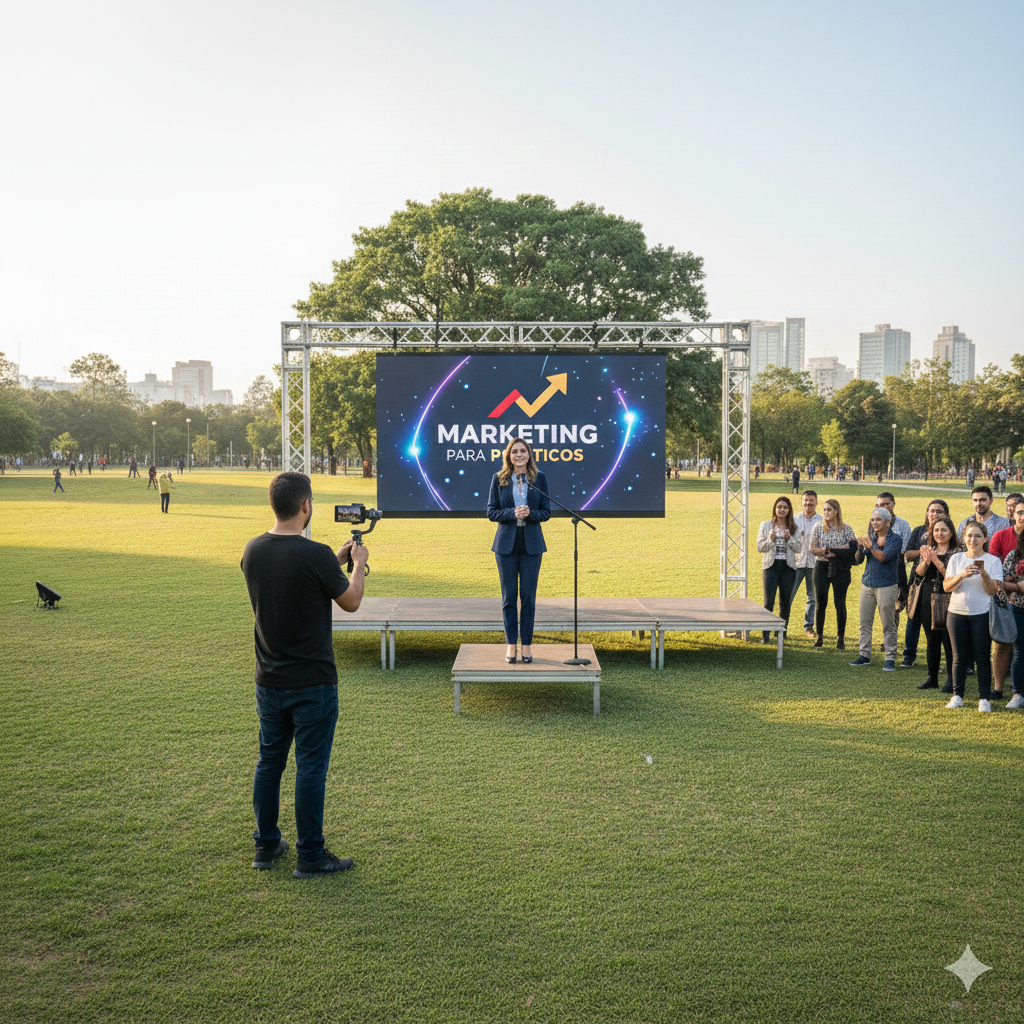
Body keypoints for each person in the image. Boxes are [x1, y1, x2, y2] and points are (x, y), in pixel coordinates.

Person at [240, 471, 368, 877]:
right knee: (310, 768)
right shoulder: (314, 554)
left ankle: (265, 846)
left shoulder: (253, 550)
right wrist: (358, 566)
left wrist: (335, 560)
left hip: (269, 679)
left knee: (269, 762)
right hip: (313, 682)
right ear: (306, 506)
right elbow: (351, 602)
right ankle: (310, 855)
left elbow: (290, 577)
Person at [487, 438, 550, 663]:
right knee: (509, 597)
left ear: (529, 455)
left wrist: (529, 513)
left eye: (523, 451)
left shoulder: (539, 478)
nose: (519, 455)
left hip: (531, 544)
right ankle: (511, 645)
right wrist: (513, 513)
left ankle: (527, 646)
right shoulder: (499, 479)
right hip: (506, 546)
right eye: (515, 452)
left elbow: (546, 512)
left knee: (528, 598)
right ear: (509, 456)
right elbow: (492, 512)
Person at [943, 522, 1003, 711]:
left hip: (981, 614)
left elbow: (993, 590)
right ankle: (957, 696)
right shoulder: (956, 559)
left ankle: (984, 698)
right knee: (958, 657)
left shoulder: (993, 561)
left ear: (985, 538)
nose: (973, 540)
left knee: (982, 657)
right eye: (969, 535)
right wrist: (962, 575)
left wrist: (983, 573)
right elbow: (947, 587)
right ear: (964, 538)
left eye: (977, 536)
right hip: (956, 614)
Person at [908, 514, 959, 692]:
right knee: (931, 640)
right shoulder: (929, 550)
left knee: (948, 640)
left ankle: (952, 679)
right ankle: (932, 677)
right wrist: (926, 560)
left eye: (944, 530)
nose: (940, 533)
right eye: (936, 530)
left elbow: (950, 576)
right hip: (927, 596)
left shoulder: (957, 552)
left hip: (948, 598)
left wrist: (935, 559)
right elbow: (919, 573)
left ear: (951, 532)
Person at [849, 507, 902, 670]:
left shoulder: (895, 539)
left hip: (887, 585)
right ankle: (864, 655)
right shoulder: (871, 538)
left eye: (878, 520)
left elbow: (883, 557)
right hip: (868, 584)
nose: (874, 523)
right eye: (872, 520)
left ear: (888, 521)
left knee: (888, 623)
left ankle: (890, 657)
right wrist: (859, 547)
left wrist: (871, 546)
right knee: (865, 622)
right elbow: (857, 561)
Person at [899, 499, 950, 669]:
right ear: (927, 513)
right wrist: (924, 552)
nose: (934, 514)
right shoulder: (919, 531)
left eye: (939, 511)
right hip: (918, 581)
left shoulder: (947, 532)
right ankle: (909, 655)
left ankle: (948, 660)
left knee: (942, 624)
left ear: (946, 515)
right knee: (913, 617)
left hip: (942, 585)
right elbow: (907, 554)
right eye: (931, 511)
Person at [808, 498, 858, 648]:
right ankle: (820, 636)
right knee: (820, 603)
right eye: (824, 510)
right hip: (821, 566)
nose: (826, 512)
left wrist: (835, 550)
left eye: (829, 509)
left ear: (836, 511)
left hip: (840, 568)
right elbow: (812, 548)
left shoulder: (846, 528)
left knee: (840, 603)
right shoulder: (818, 527)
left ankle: (840, 638)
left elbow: (852, 547)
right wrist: (823, 551)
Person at [989, 494, 1023, 699]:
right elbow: (996, 572)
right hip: (1009, 602)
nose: (1023, 517)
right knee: (1003, 644)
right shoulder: (1001, 536)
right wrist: (1015, 584)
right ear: (1013, 514)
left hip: (1011, 591)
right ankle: (999, 687)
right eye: (1020, 512)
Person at [756, 496, 802, 644]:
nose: (782, 510)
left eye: (785, 507)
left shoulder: (794, 526)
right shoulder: (765, 525)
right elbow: (760, 548)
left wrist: (790, 539)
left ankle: (781, 631)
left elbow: (799, 548)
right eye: (779, 507)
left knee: (785, 602)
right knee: (769, 601)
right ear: (775, 509)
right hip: (771, 566)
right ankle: (766, 634)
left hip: (788, 567)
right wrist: (771, 539)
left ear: (789, 510)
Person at [1000, 503, 1024, 710]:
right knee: (1019, 652)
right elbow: (1002, 581)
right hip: (1017, 609)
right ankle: (1018, 693)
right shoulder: (1013, 555)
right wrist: (1015, 585)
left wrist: (1014, 584)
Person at [790, 490, 823, 640]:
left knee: (812, 597)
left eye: (811, 501)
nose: (808, 503)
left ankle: (808, 626)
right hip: (796, 563)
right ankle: (781, 627)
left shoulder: (822, 521)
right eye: (805, 501)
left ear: (816, 502)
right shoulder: (794, 519)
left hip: (815, 564)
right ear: (802, 502)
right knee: (788, 595)